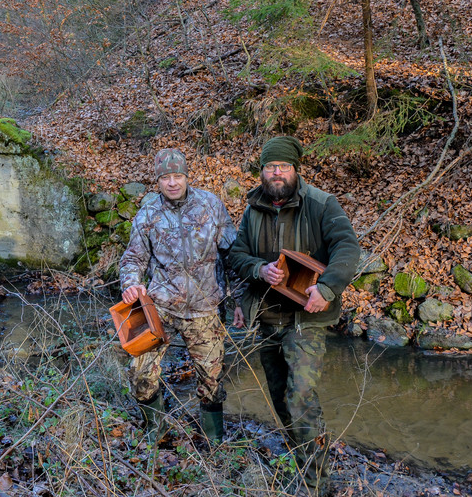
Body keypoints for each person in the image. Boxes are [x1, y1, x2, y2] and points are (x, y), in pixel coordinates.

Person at [228, 136, 360, 492]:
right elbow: (237, 254)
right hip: (268, 316)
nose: (276, 173)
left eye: (283, 166)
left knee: (299, 395)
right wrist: (259, 269)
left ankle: (318, 484)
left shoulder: (321, 204)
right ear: (261, 172)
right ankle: (306, 460)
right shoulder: (252, 208)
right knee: (279, 397)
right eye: (270, 167)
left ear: (295, 170)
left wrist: (328, 287)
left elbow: (347, 246)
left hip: (307, 318)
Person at [119, 148, 240, 444]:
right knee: (141, 374)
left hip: (205, 308)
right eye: (165, 178)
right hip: (160, 308)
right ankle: (156, 433)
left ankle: (214, 441)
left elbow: (233, 255)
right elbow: (133, 258)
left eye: (178, 176)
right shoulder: (148, 212)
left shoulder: (210, 205)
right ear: (157, 181)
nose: (172, 183)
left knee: (211, 381)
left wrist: (238, 300)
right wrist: (131, 283)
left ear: (186, 176)